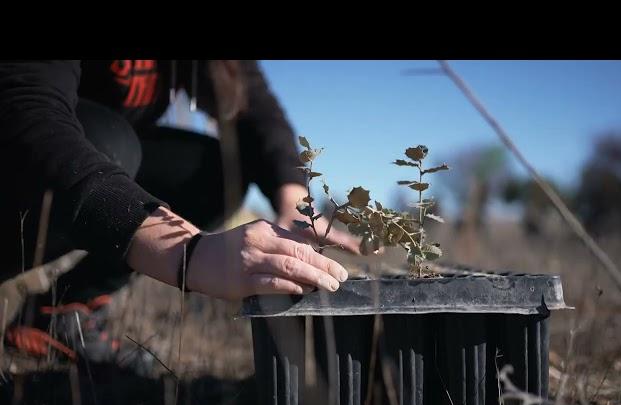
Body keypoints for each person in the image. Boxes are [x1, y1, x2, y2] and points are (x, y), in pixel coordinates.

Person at [0, 60, 359, 372]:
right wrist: (190, 252)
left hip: (102, 154)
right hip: (31, 154)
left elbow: (258, 112)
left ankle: (61, 310)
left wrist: (296, 206)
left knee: (214, 172)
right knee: (113, 142)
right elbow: (25, 112)